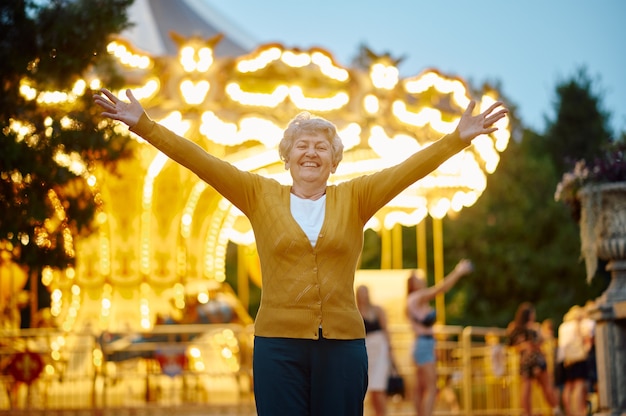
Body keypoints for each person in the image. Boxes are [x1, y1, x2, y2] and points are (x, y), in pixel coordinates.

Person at [93, 87, 507, 416]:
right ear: (288, 157)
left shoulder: (356, 197)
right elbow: (201, 161)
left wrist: (457, 139)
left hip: (343, 345)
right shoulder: (258, 194)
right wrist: (145, 125)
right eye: (303, 145)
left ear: (334, 161)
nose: (311, 152)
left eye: (321, 147)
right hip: (278, 345)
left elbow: (407, 171)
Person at [405, 259, 474, 416]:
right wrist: (459, 271)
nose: (421, 279)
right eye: (417, 278)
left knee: (420, 388)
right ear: (412, 285)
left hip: (423, 345)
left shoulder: (414, 301)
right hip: (423, 345)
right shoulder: (416, 298)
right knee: (431, 387)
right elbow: (440, 289)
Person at [507, 302, 562, 416]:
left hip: (525, 361)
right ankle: (556, 409)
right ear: (530, 315)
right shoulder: (534, 327)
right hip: (537, 359)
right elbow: (540, 343)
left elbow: (510, 346)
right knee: (546, 386)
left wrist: (522, 346)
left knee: (526, 389)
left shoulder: (514, 328)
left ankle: (527, 413)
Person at [356, 285, 392, 416]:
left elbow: (385, 329)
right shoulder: (356, 311)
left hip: (380, 349)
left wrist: (390, 349)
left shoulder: (377, 310)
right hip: (367, 349)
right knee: (370, 387)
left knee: (379, 386)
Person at [557, 305, 594, 416]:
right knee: (579, 384)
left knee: (568, 386)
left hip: (566, 360)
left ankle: (569, 411)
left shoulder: (563, 327)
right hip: (578, 358)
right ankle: (578, 412)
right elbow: (587, 341)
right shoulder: (581, 325)